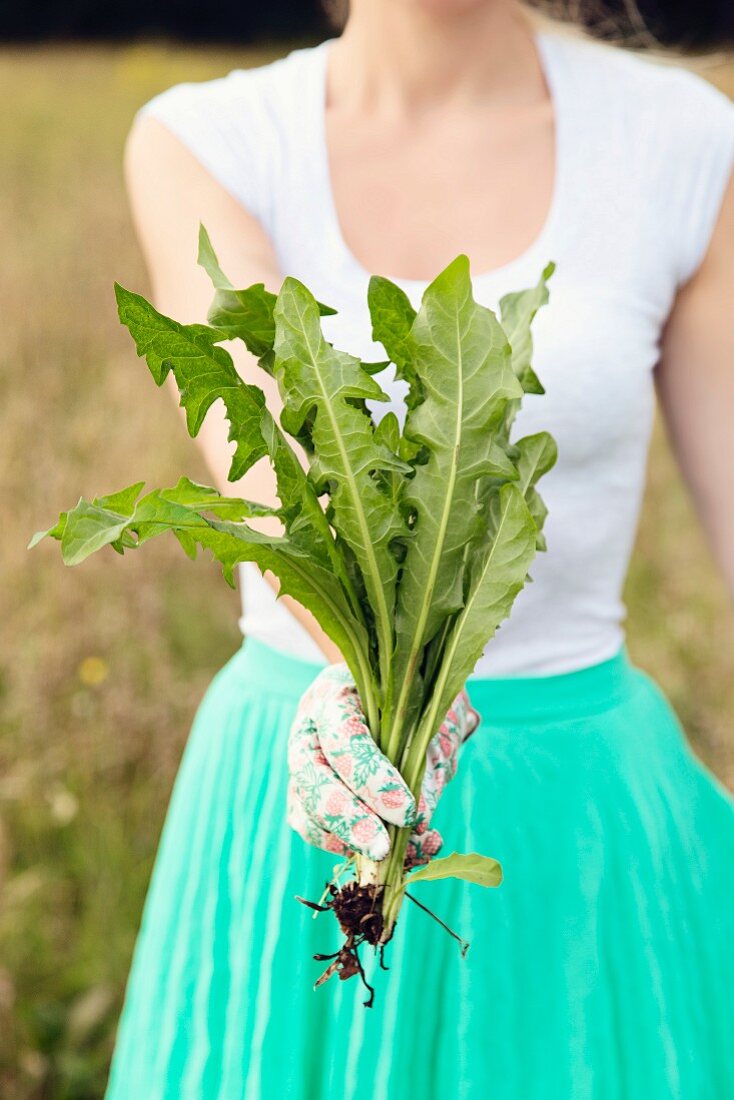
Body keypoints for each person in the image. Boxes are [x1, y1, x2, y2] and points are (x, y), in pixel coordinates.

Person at [107, 1, 734, 1096]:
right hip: (303, 792)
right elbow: (263, 457)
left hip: (583, 822)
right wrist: (356, 671)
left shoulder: (684, 142)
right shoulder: (206, 138)